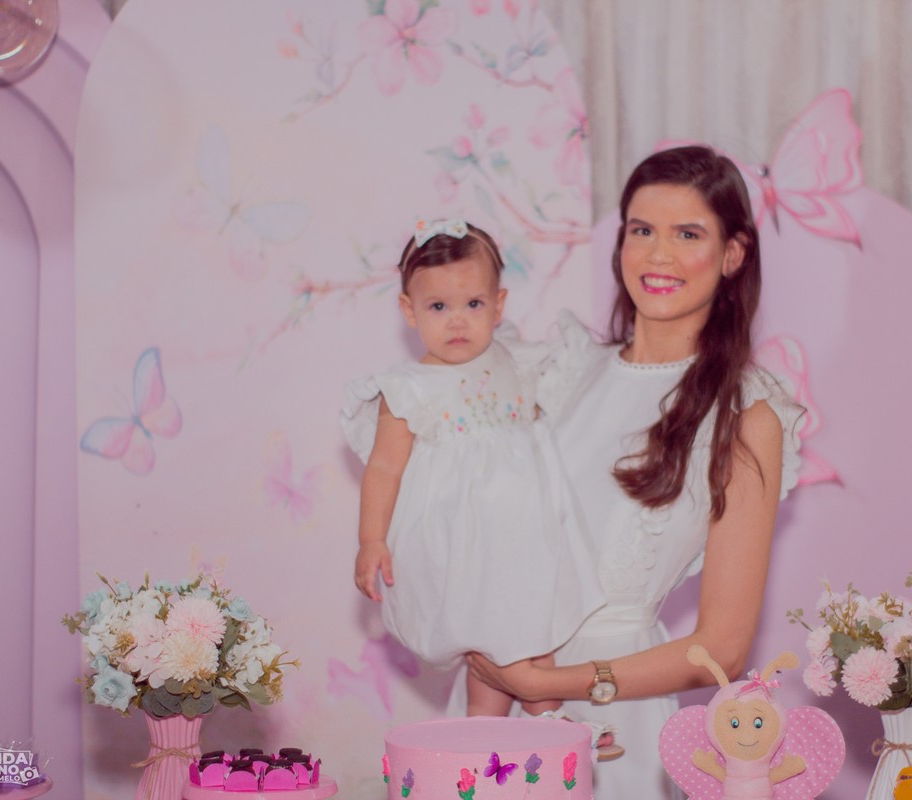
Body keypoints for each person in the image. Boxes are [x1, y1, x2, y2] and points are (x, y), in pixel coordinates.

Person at [464, 146, 803, 798]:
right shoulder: (560, 371)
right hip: (497, 703)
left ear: (733, 255)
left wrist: (550, 684)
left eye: (688, 234)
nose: (658, 255)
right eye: (642, 230)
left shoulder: (746, 414)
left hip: (612, 724)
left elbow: (723, 648)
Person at [340, 218, 605, 722]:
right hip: (464, 548)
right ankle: (533, 728)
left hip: (525, 538)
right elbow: (384, 468)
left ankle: (527, 731)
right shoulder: (409, 388)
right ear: (410, 310)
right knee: (494, 644)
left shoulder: (514, 359)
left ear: (499, 305)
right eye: (439, 307)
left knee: (529, 638)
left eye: (474, 304)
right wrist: (371, 539)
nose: (457, 321)